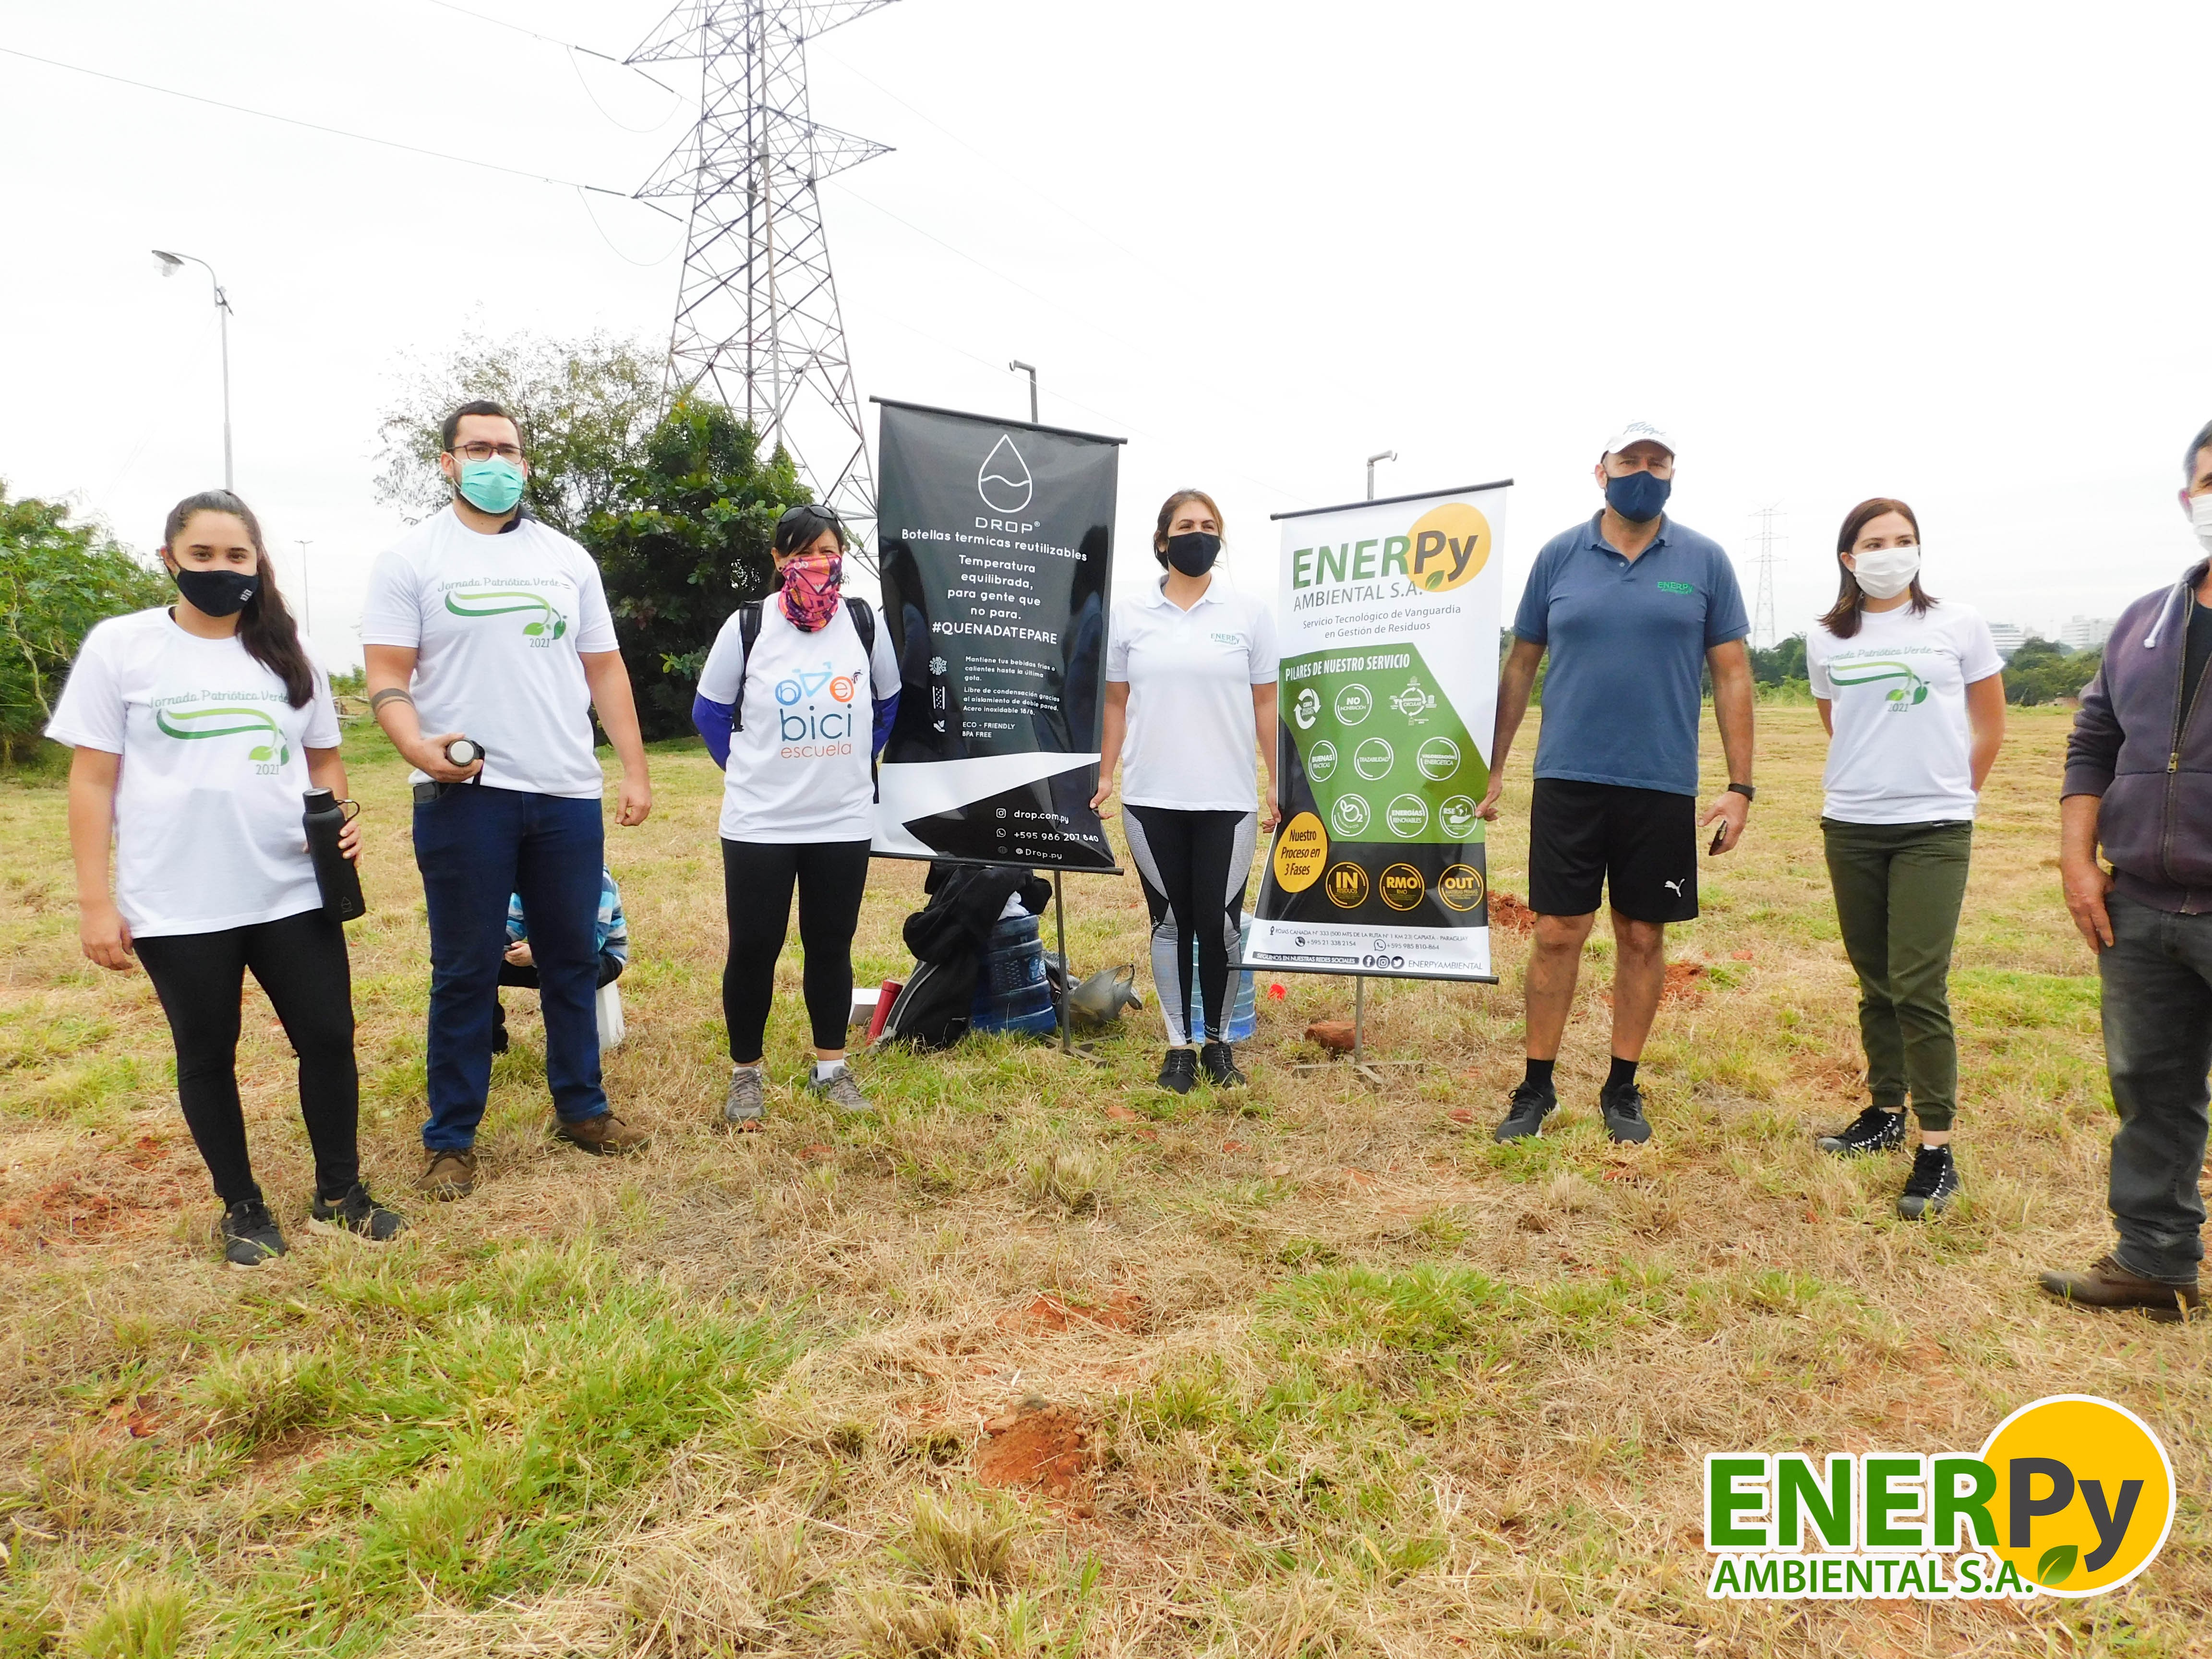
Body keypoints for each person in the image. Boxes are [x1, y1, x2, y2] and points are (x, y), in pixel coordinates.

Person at [49, 491, 403, 1265]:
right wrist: (95, 900)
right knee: (208, 1050)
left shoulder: (285, 650)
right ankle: (241, 1205)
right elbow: (91, 781)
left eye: (235, 556)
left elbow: (322, 755)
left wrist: (338, 811)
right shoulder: (123, 647)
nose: (220, 569)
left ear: (256, 561)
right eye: (202, 555)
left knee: (329, 1037)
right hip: (178, 902)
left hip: (289, 887)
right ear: (170, 558)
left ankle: (340, 1192)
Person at [361, 400, 654, 1200]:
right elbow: (385, 674)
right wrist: (415, 746)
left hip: (563, 791)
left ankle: (583, 1111)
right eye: (476, 448)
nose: (494, 461)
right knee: (464, 970)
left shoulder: (567, 559)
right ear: (448, 462)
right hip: (466, 796)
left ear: (526, 465)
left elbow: (604, 670)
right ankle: (452, 1140)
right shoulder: (411, 558)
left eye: (508, 450)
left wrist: (633, 768)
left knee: (571, 960)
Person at [1481, 423, 1755, 1144]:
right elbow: (1520, 665)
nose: (1645, 471)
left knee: (1641, 935)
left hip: (1660, 783)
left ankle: (1621, 1087)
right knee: (1557, 932)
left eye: (1657, 461)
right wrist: (1497, 762)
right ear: (1600, 472)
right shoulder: (1559, 557)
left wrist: (1741, 785)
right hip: (1569, 775)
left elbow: (1731, 672)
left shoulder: (1705, 561)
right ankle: (1536, 1087)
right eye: (1630, 460)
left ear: (1673, 472)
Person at [2044, 418, 2212, 1322]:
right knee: (2151, 1089)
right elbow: (2092, 743)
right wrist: (2078, 863)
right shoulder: (2146, 621)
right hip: (2140, 905)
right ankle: (2153, 1259)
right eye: (2208, 480)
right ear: (2186, 497)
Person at [1805, 499, 2005, 1218]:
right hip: (1853, 824)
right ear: (1849, 558)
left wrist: (1953, 793)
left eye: (1906, 539)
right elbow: (1840, 724)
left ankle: (1937, 1148)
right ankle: (1885, 1111)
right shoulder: (1826, 637)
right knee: (1875, 981)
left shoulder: (1959, 624)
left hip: (1933, 831)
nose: (1894, 551)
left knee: (1919, 984)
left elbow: (1991, 723)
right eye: (1876, 541)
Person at [692, 503, 899, 1127]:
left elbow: (888, 702)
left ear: (843, 557)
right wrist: (754, 773)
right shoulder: (749, 625)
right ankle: (746, 1075)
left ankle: (830, 1068)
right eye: (801, 553)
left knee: (830, 947)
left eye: (827, 551)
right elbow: (709, 711)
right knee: (754, 947)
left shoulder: (864, 623)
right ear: (779, 561)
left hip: (841, 820)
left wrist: (852, 764)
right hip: (761, 823)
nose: (815, 563)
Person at [1091, 489, 1279, 1093]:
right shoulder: (1130, 614)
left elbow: (1266, 701)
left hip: (1228, 800)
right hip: (1152, 798)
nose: (1198, 534)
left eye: (1208, 525)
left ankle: (1219, 1048)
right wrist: (1104, 773)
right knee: (1170, 922)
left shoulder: (1248, 613)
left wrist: (1279, 779)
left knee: (1220, 925)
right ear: (1162, 540)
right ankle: (1178, 1047)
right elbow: (1115, 702)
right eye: (1185, 525)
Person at [493, 866, 628, 1055]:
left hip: (602, 956)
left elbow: (591, 943)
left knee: (566, 976)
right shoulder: (530, 874)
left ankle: (571, 1055)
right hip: (549, 954)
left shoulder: (596, 880)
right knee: (485, 968)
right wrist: (492, 945)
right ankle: (493, 1046)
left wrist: (538, 955)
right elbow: (514, 922)